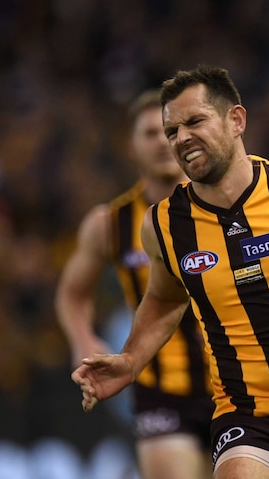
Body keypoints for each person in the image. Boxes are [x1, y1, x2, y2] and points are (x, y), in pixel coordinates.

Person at [71, 65, 269, 479]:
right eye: (171, 130)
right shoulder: (161, 225)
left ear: (236, 120)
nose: (179, 139)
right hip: (249, 415)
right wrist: (130, 361)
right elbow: (163, 297)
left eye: (194, 121)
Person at [56, 89, 214, 479]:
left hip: (237, 382)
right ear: (131, 146)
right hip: (160, 389)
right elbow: (73, 293)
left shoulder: (224, 207)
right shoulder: (109, 224)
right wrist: (82, 338)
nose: (163, 141)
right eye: (150, 133)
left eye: (169, 131)